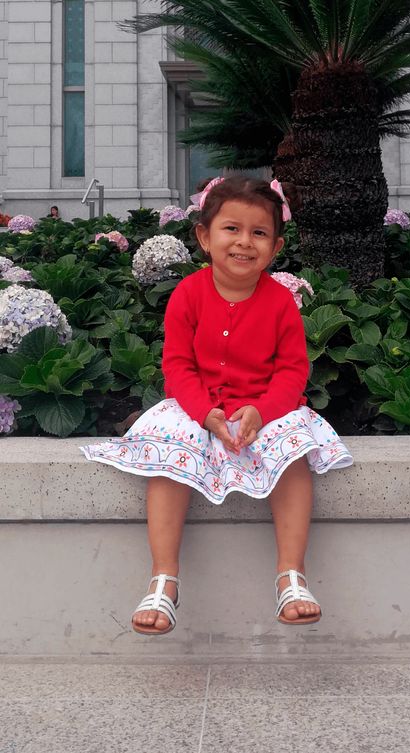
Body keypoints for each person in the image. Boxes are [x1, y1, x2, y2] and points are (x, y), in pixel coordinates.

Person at [81, 175, 353, 635]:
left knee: (292, 455)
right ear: (205, 237)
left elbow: (292, 371)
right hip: (197, 409)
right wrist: (204, 413)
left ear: (276, 245)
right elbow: (178, 367)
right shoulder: (188, 295)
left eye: (259, 233)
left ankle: (291, 575)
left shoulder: (281, 301)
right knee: (170, 459)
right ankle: (163, 580)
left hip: (264, 409)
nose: (245, 242)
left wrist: (262, 412)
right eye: (232, 229)